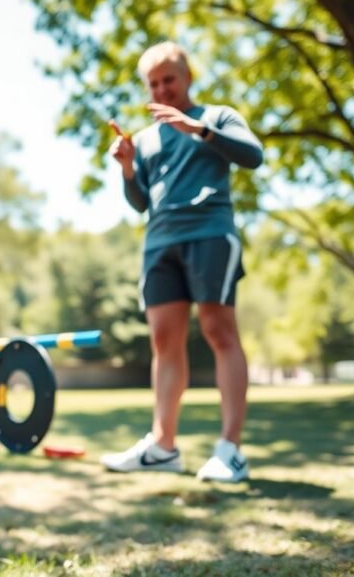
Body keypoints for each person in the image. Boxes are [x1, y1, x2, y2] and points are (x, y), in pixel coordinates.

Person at [101, 41, 263, 483]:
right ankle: (163, 447)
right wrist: (129, 169)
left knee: (218, 331)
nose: (161, 89)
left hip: (210, 235)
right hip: (160, 244)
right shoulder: (148, 138)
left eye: (168, 79)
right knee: (163, 343)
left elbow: (253, 156)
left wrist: (200, 131)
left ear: (187, 77)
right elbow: (139, 203)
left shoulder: (217, 117)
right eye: (153, 83)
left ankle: (230, 451)